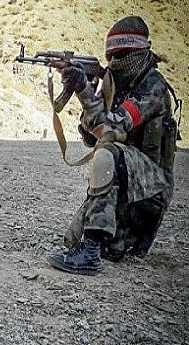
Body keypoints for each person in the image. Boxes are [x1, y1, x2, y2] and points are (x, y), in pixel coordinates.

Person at [48, 15, 178, 276]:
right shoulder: (115, 85)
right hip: (127, 185)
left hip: (151, 187)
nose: (115, 63)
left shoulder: (153, 87)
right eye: (111, 57)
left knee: (110, 152)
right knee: (73, 238)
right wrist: (86, 90)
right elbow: (90, 137)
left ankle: (91, 254)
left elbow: (111, 129)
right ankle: (107, 243)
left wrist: (85, 90)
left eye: (122, 56)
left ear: (139, 52)